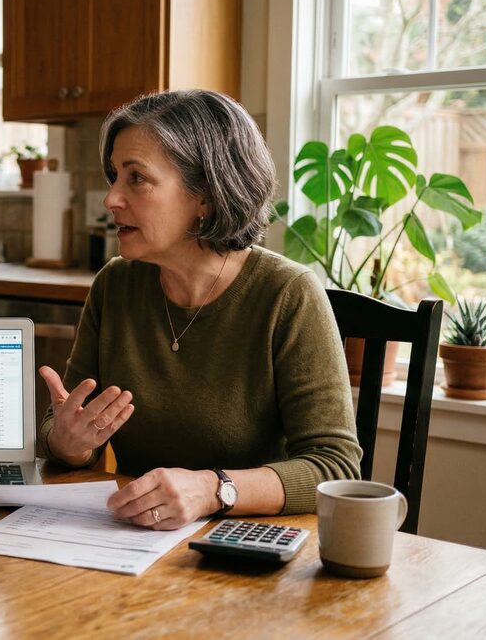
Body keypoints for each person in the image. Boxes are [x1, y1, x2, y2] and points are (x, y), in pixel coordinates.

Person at [39, 90, 362, 529]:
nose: (111, 199)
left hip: (252, 546)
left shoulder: (288, 294)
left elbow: (335, 467)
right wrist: (69, 442)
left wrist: (212, 490)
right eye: (114, 176)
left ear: (205, 195)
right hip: (140, 538)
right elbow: (70, 429)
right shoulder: (115, 285)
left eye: (136, 178)